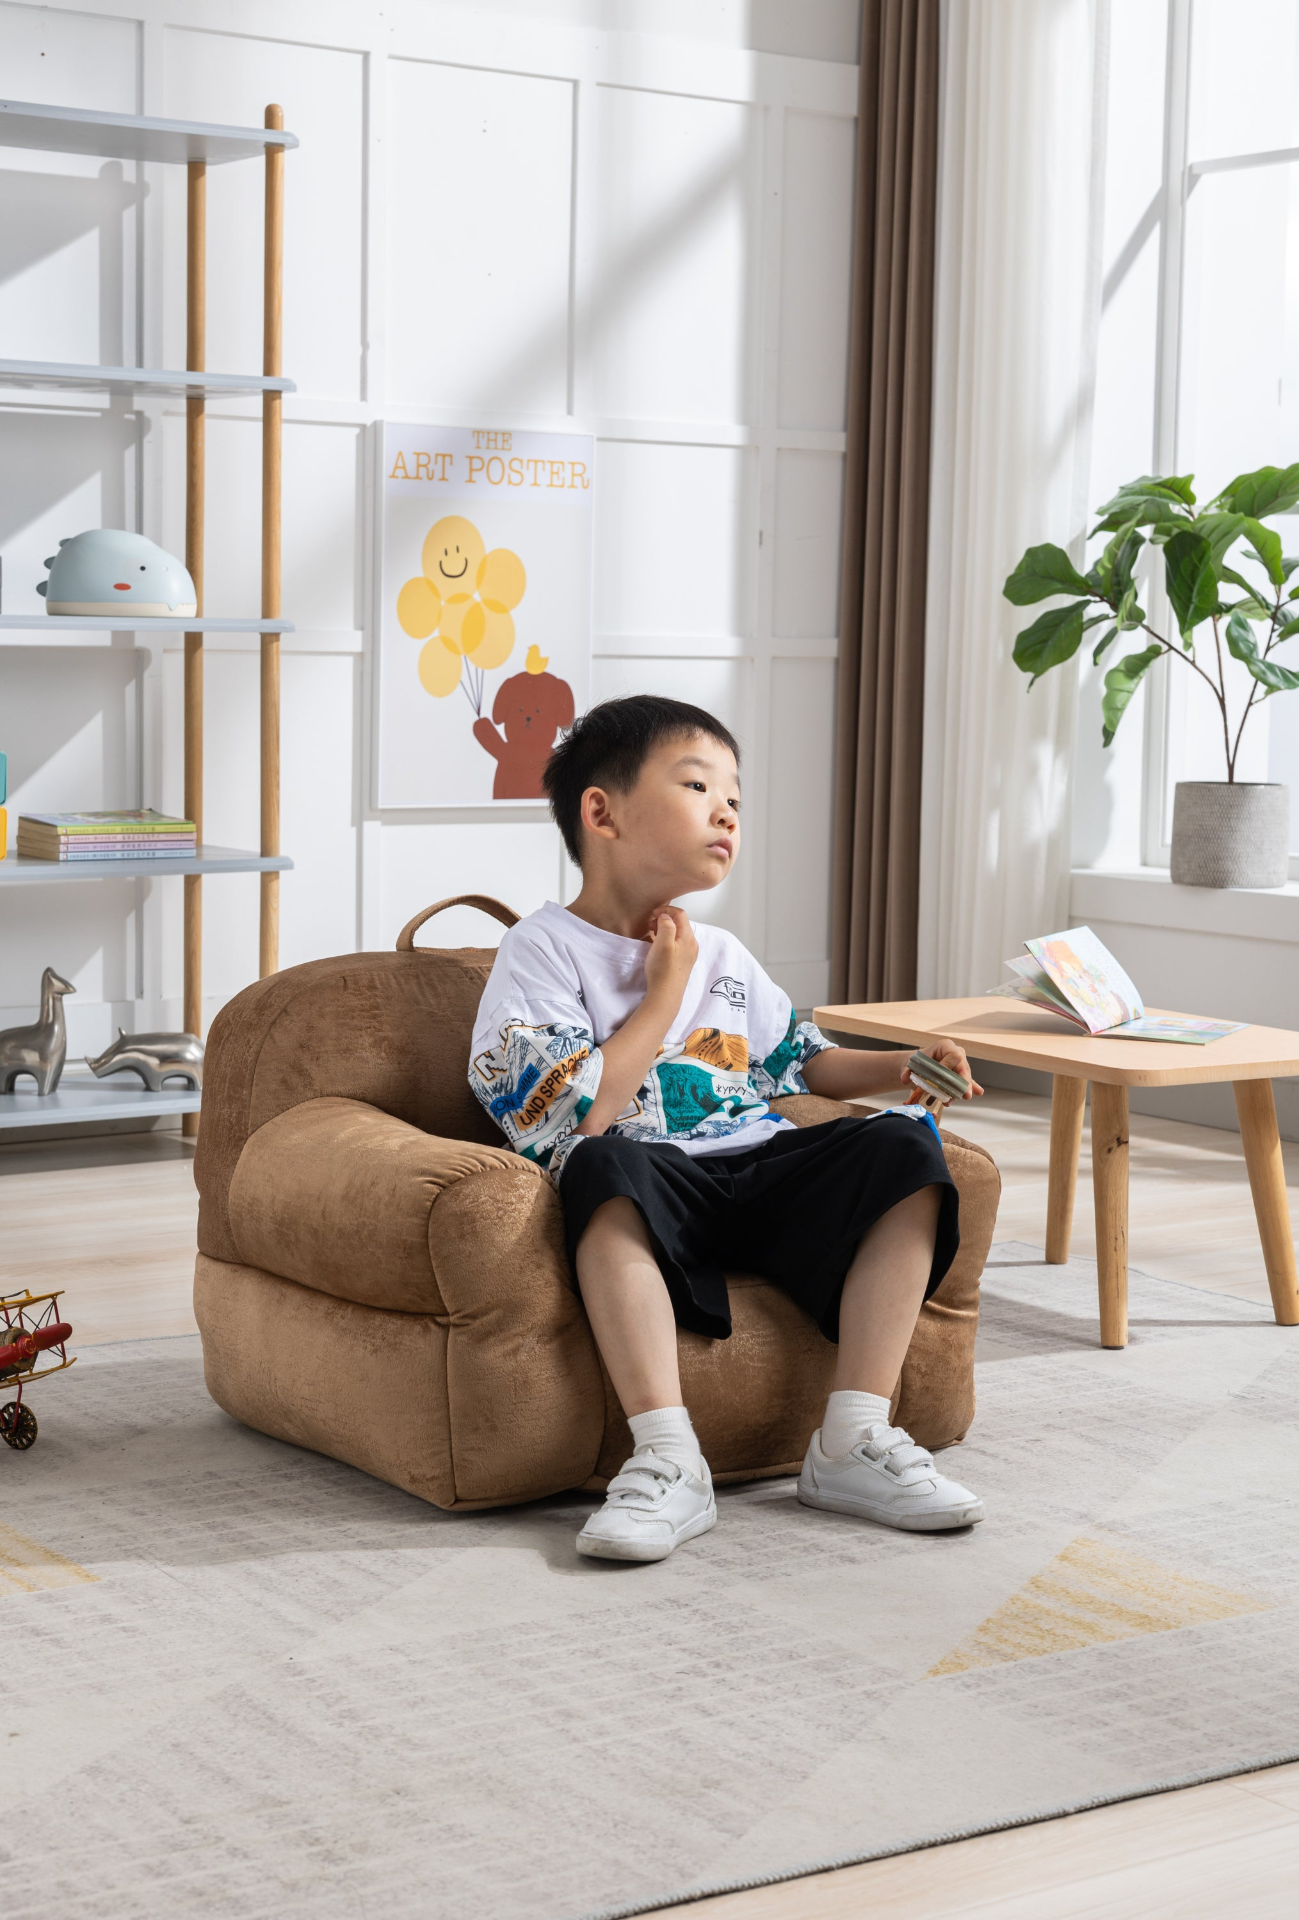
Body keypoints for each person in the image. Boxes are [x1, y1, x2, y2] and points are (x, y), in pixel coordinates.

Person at [468, 694, 986, 1564]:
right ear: (601, 812)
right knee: (602, 1162)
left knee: (904, 1145)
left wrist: (902, 1065)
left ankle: (852, 1440)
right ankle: (668, 1459)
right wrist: (662, 992)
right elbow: (582, 1110)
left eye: (735, 799)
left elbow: (806, 1064)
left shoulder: (727, 953)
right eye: (698, 785)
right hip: (652, 1182)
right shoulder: (542, 951)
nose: (726, 812)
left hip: (756, 1165)